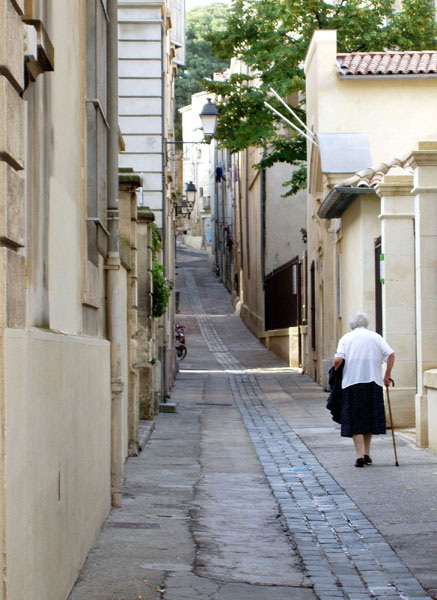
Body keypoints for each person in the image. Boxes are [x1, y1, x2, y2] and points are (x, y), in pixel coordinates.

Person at [334, 312, 395, 468]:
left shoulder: (346, 338)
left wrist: (336, 370)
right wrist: (387, 375)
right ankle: (367, 453)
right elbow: (391, 354)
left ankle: (359, 456)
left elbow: (338, 359)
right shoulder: (375, 337)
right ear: (366, 323)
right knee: (369, 418)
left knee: (355, 420)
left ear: (351, 324)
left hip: (352, 383)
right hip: (373, 382)